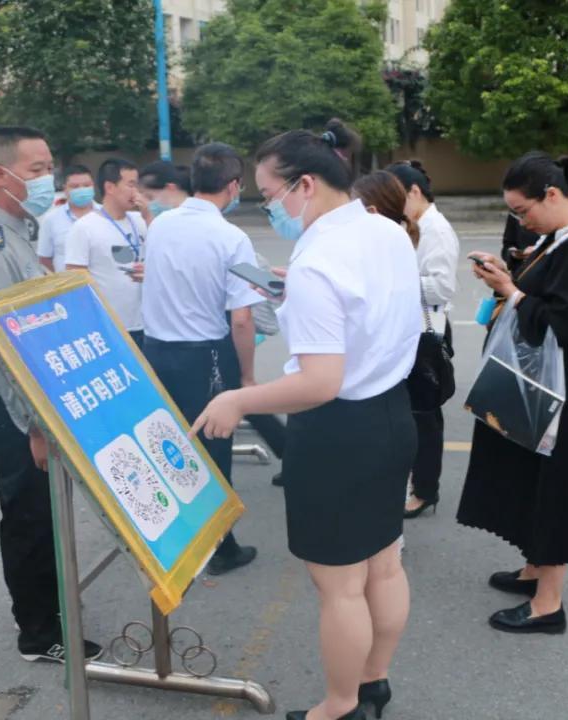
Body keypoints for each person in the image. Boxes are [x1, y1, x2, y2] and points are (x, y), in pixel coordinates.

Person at [192, 120, 421, 720]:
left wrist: (238, 400)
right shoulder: (383, 229)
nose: (268, 208)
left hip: (339, 432)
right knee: (385, 563)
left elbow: (320, 382)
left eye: (269, 195)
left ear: (306, 184)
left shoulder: (320, 262)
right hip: (394, 416)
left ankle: (340, 705)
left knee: (341, 587)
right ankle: (375, 683)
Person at [0, 126, 102, 663]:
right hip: (14, 414)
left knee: (42, 516)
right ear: (2, 175)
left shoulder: (17, 230)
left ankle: (50, 609)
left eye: (49, 168)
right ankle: (38, 634)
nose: (50, 180)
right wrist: (38, 427)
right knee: (28, 522)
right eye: (37, 170)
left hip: (30, 407)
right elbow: (6, 354)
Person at [458, 152, 568, 635]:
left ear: (551, 195)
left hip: (562, 390)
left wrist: (513, 287)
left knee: (554, 489)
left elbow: (564, 322)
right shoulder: (559, 237)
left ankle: (549, 603)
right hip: (541, 385)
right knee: (528, 479)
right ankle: (533, 569)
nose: (519, 221)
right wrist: (510, 279)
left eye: (521, 211)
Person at [141, 142, 261, 576]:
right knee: (212, 455)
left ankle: (174, 540)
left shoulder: (160, 224)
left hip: (157, 353)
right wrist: (247, 378)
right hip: (206, 356)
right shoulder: (231, 237)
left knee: (169, 447)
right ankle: (220, 549)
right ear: (232, 185)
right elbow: (242, 320)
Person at [386, 161, 460, 519]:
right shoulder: (416, 225)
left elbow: (442, 287)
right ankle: (419, 482)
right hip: (412, 330)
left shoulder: (436, 231)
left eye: (397, 197)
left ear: (414, 192)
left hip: (426, 332)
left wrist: (396, 282)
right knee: (416, 413)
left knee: (425, 417)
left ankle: (426, 490)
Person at [65, 158, 149, 347]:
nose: (136, 192)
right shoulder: (85, 227)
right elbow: (75, 281)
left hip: (147, 324)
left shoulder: (140, 220)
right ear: (110, 187)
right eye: (130, 185)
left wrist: (149, 215)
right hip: (111, 327)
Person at [37, 164, 98, 272]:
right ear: (65, 189)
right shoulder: (51, 219)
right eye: (75, 187)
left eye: (86, 185)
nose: (82, 190)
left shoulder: (105, 215)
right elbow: (44, 258)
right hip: (69, 286)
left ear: (93, 186)